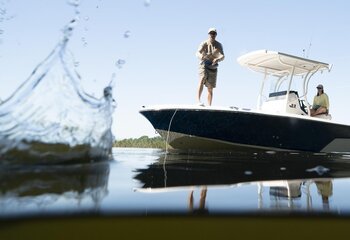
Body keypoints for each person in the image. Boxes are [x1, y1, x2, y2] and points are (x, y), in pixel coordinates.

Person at [196, 28, 225, 106]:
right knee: (202, 79)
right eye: (211, 33)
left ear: (216, 35)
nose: (212, 35)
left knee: (210, 87)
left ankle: (209, 105)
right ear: (208, 34)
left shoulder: (219, 45)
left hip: (213, 66)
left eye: (214, 33)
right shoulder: (204, 43)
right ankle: (198, 101)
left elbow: (222, 55)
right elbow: (197, 52)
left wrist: (218, 59)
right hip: (204, 64)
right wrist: (201, 56)